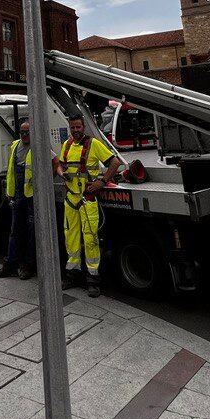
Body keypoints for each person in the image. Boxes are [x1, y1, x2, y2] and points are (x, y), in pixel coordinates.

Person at [53, 113, 120, 298]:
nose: (75, 130)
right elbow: (59, 165)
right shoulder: (66, 145)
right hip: (71, 200)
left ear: (83, 127)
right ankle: (72, 274)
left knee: (90, 239)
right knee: (71, 239)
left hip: (87, 199)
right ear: (70, 127)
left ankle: (93, 279)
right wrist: (61, 173)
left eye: (78, 127)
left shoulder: (93, 144)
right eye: (73, 127)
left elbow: (115, 162)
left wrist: (103, 181)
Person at [0, 119, 35, 280]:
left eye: (27, 132)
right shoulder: (15, 146)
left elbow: (54, 162)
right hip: (17, 196)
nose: (24, 135)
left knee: (31, 233)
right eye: (22, 132)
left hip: (31, 197)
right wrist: (10, 193)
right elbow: (11, 172)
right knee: (15, 231)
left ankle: (28, 266)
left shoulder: (37, 145)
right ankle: (10, 264)